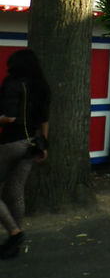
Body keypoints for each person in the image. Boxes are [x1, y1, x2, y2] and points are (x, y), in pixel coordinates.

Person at [0, 49, 51, 259]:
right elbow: (44, 119)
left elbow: (10, 118)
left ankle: (15, 232)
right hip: (31, 144)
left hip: (10, 142)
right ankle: (14, 245)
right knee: (16, 192)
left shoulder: (12, 83)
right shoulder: (42, 87)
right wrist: (44, 145)